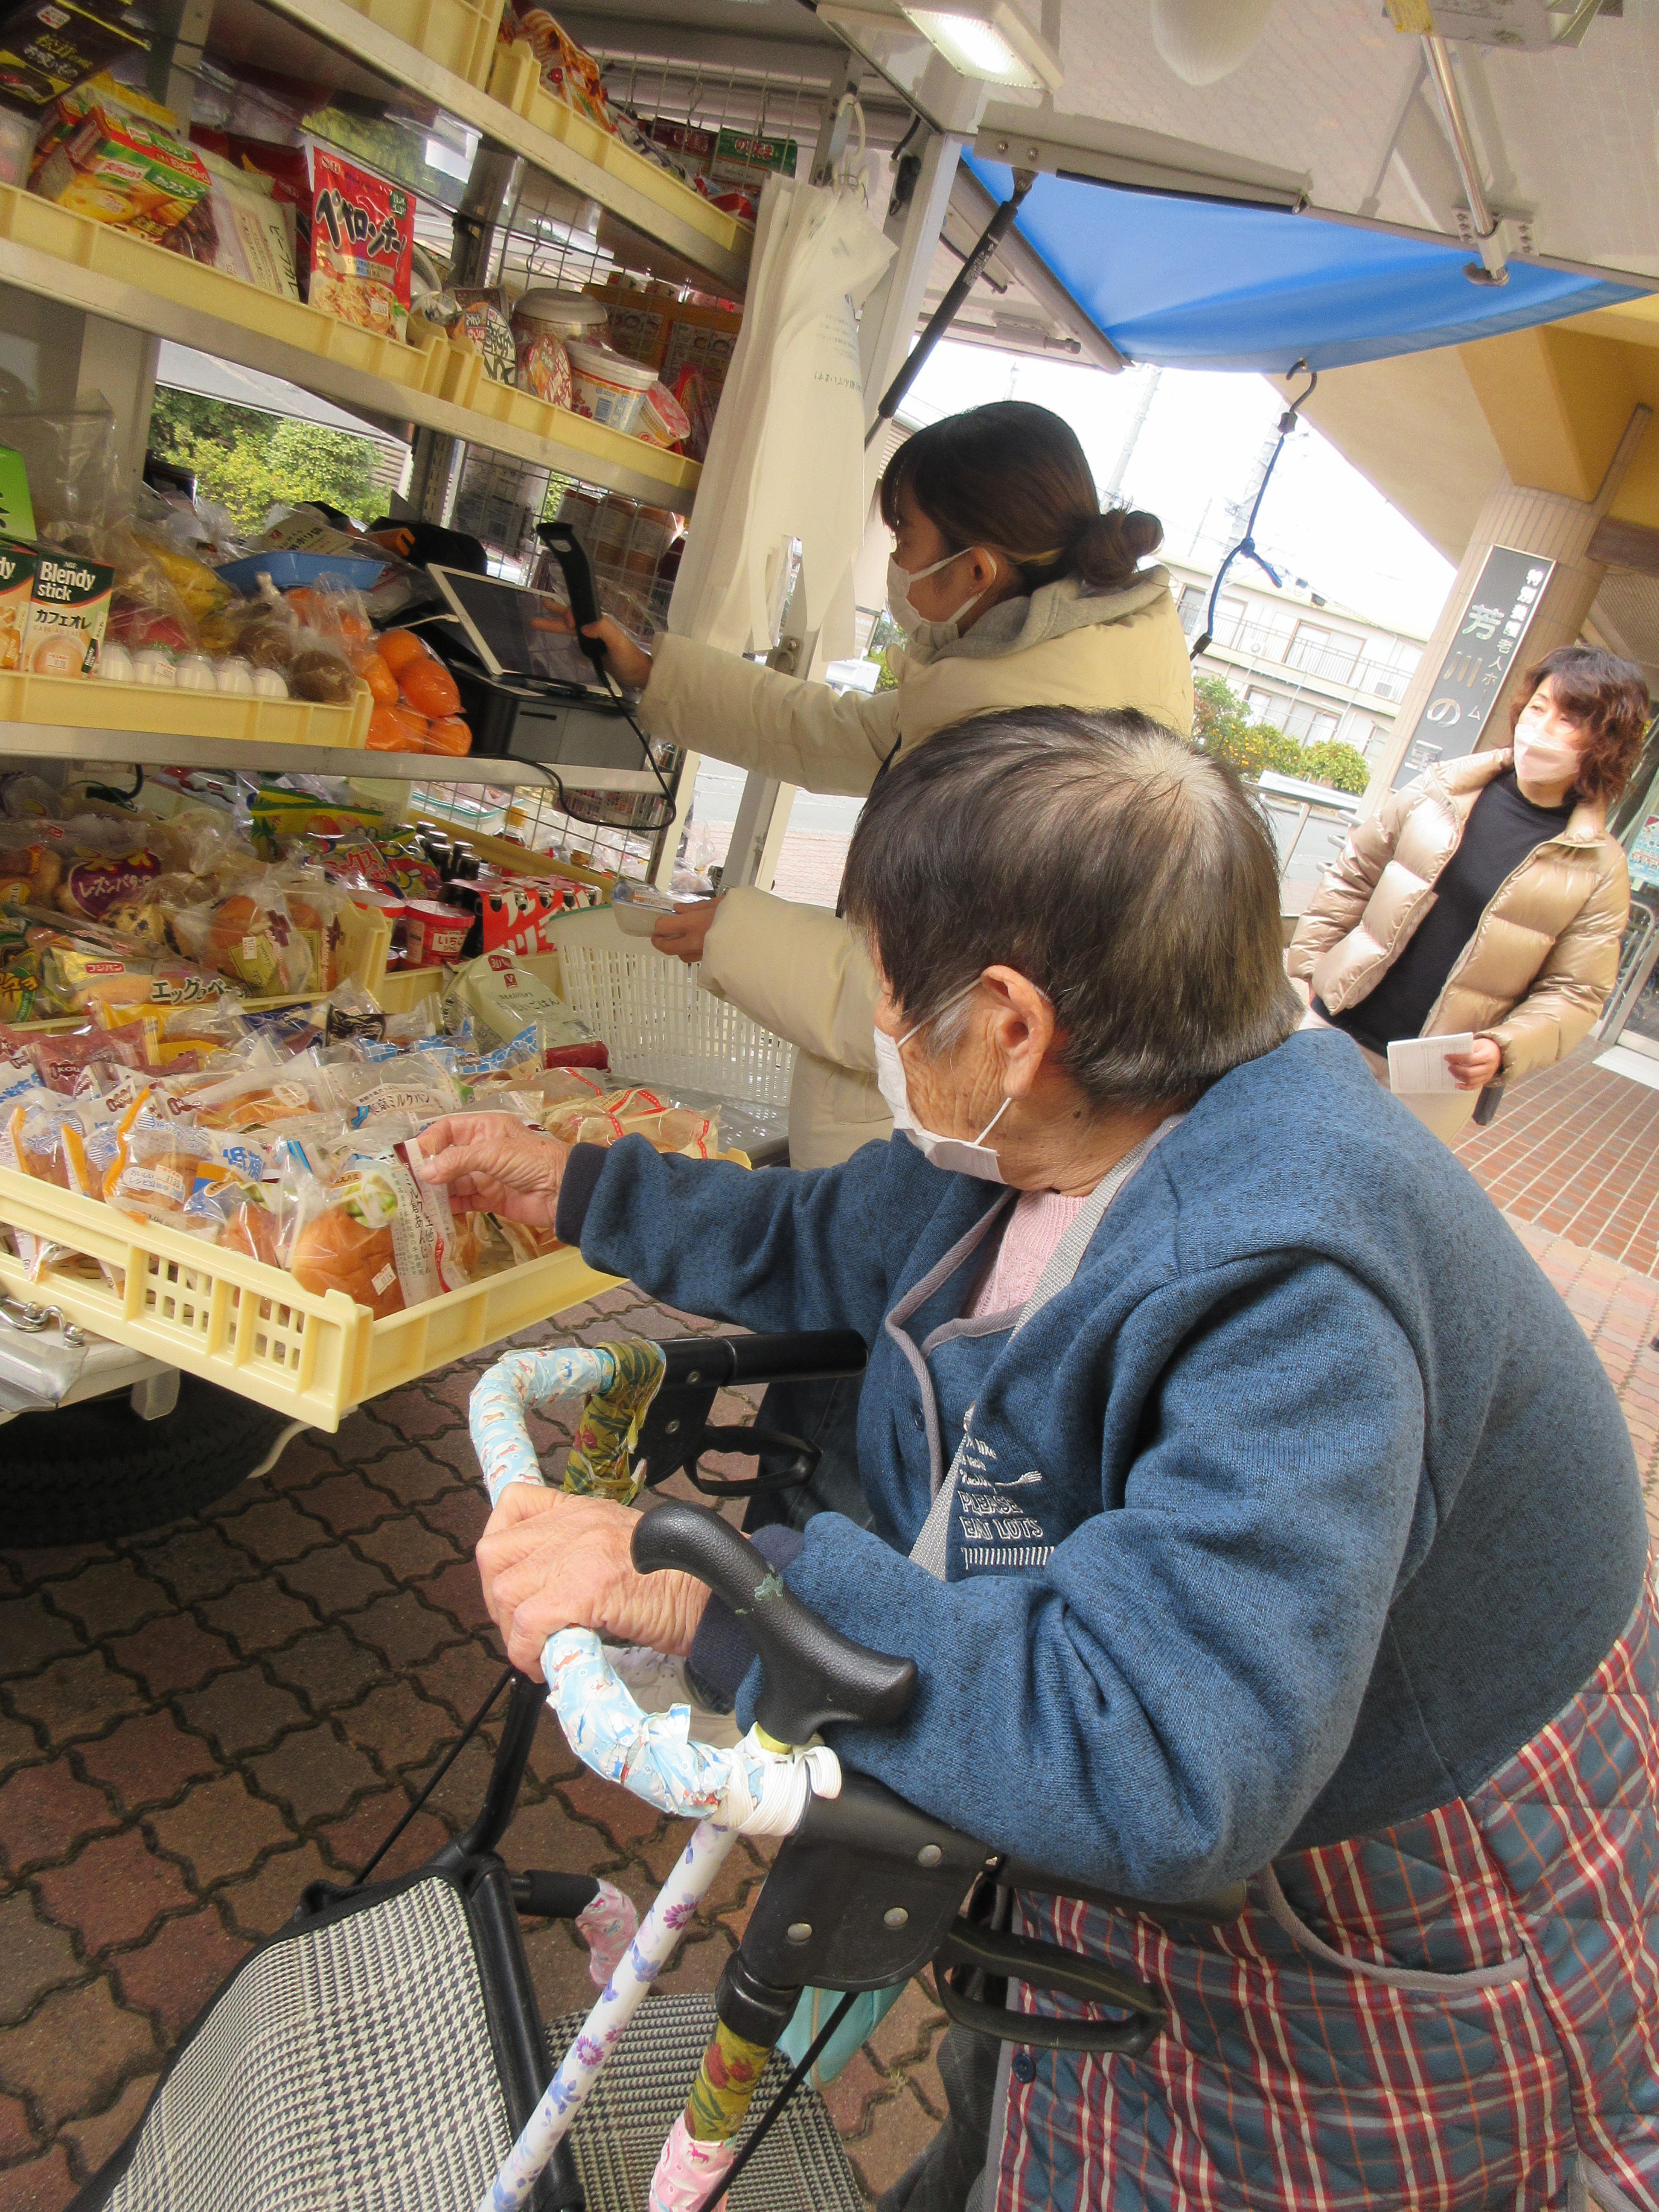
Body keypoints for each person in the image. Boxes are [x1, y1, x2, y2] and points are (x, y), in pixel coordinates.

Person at [418, 707, 1656, 2212]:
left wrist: (709, 1592)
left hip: (1376, 1888)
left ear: (1010, 1024)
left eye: (884, 990)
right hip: (1181, 1800)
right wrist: (573, 1185)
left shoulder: (1290, 1270)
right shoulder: (1055, 1135)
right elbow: (817, 1235)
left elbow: (1163, 1745)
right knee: (1013, 2116)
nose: (879, 1030)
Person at [558, 400, 1194, 1170]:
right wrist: (658, 674)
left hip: (921, 1142)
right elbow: (850, 732)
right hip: (899, 1120)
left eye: (904, 536)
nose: (893, 563)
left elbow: (948, 1010)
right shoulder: (1013, 678)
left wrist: (736, 935)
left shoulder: (1041, 765)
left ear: (976, 568)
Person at [1287, 643, 1648, 1140]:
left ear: (1605, 741)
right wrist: (1311, 964)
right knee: (1263, 1159)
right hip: (1335, 1025)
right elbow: (1355, 873)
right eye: (1538, 708)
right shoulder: (1443, 789)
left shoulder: (1600, 867)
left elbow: (1576, 991)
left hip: (1435, 1079)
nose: (1540, 728)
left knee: (1368, 1208)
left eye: (1567, 719)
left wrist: (1505, 1047)